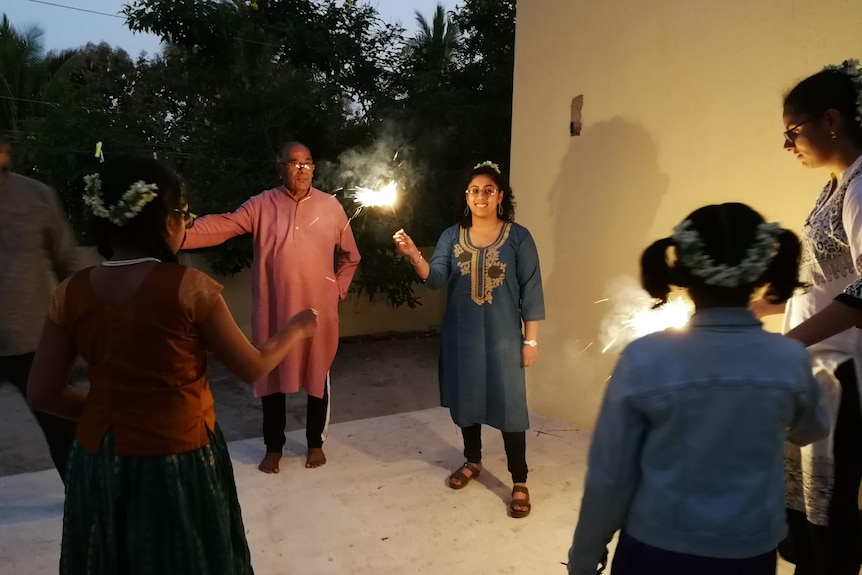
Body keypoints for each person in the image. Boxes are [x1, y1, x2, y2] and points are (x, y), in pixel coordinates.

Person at [26, 155, 318, 574]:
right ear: (166, 221)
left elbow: (41, 392)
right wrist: (295, 329)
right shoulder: (191, 290)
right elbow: (253, 367)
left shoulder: (71, 292)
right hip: (178, 458)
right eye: (184, 213)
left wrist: (108, 415)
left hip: (100, 459)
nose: (187, 223)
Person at [567, 203, 830, 575]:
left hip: (654, 548)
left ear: (683, 272)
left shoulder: (644, 357)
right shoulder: (787, 358)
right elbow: (813, 429)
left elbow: (610, 473)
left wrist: (584, 553)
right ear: (760, 272)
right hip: (747, 553)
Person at [182, 141, 360, 473]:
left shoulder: (331, 206)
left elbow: (352, 256)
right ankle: (274, 446)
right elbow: (225, 225)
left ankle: (315, 444)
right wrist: (179, 231)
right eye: (294, 163)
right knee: (271, 376)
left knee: (317, 375)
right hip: (275, 309)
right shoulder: (262, 205)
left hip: (317, 312)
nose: (303, 169)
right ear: (280, 168)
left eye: (308, 162)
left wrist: (338, 288)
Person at [749, 59, 862, 575]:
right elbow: (822, 281)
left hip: (841, 376)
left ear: (832, 120)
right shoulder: (835, 186)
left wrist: (787, 343)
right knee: (802, 510)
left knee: (830, 512)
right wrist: (755, 307)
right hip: (812, 372)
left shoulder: (861, 186)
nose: (788, 145)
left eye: (793, 132)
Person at [392, 160, 545, 518]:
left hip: (504, 338)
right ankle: (472, 460)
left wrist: (531, 341)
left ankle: (519, 480)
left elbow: (532, 291)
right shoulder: (451, 236)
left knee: (510, 406)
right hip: (462, 336)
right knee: (467, 399)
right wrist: (415, 255)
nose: (481, 196)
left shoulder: (518, 237)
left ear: (500, 196)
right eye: (474, 190)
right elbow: (436, 278)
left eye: (488, 190)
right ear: (466, 196)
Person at [0, 135, 78, 484]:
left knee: (64, 429)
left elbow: (69, 263)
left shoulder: (37, 196)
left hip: (34, 339)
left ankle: (83, 500)